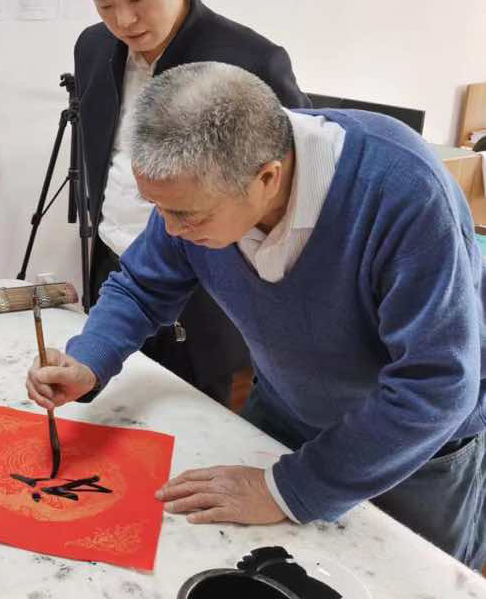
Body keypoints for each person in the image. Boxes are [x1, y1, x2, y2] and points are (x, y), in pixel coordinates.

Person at [27, 62, 486, 568]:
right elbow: (143, 281)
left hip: (413, 447)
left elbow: (436, 384)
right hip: (287, 408)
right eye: (158, 209)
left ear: (266, 178)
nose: (170, 229)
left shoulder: (404, 192)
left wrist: (291, 489)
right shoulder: (203, 185)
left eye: (185, 216)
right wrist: (89, 359)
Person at [76, 0, 311, 405]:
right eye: (104, 6)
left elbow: (297, 178)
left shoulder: (250, 60)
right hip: (118, 267)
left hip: (207, 281)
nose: (123, 21)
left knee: (193, 410)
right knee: (108, 404)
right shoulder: (93, 47)